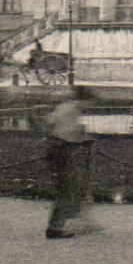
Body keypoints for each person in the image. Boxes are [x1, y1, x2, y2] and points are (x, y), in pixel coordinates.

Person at [44, 87, 96, 239]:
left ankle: (59, 224)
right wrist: (83, 136)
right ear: (84, 100)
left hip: (57, 149)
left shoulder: (64, 107)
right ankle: (55, 228)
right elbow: (69, 133)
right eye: (89, 103)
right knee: (67, 189)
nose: (89, 107)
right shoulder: (72, 110)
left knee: (66, 188)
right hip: (63, 151)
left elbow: (49, 123)